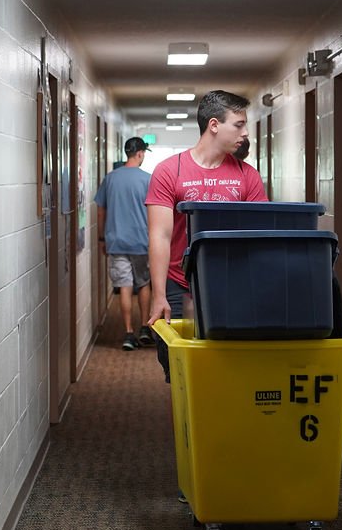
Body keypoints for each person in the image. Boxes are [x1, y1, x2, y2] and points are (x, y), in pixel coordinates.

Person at [145, 90, 268, 379]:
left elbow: (260, 236)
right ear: (214, 125)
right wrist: (158, 294)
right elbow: (160, 236)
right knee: (177, 370)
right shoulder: (168, 171)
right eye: (238, 125)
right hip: (178, 284)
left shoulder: (247, 175)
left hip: (231, 285)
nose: (245, 132)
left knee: (227, 369)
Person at [95, 137, 155, 350]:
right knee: (144, 283)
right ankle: (145, 327)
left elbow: (101, 211)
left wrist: (101, 238)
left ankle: (129, 333)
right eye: (144, 153)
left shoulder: (110, 179)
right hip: (142, 241)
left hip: (116, 241)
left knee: (125, 286)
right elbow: (154, 212)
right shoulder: (148, 179)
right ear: (139, 153)